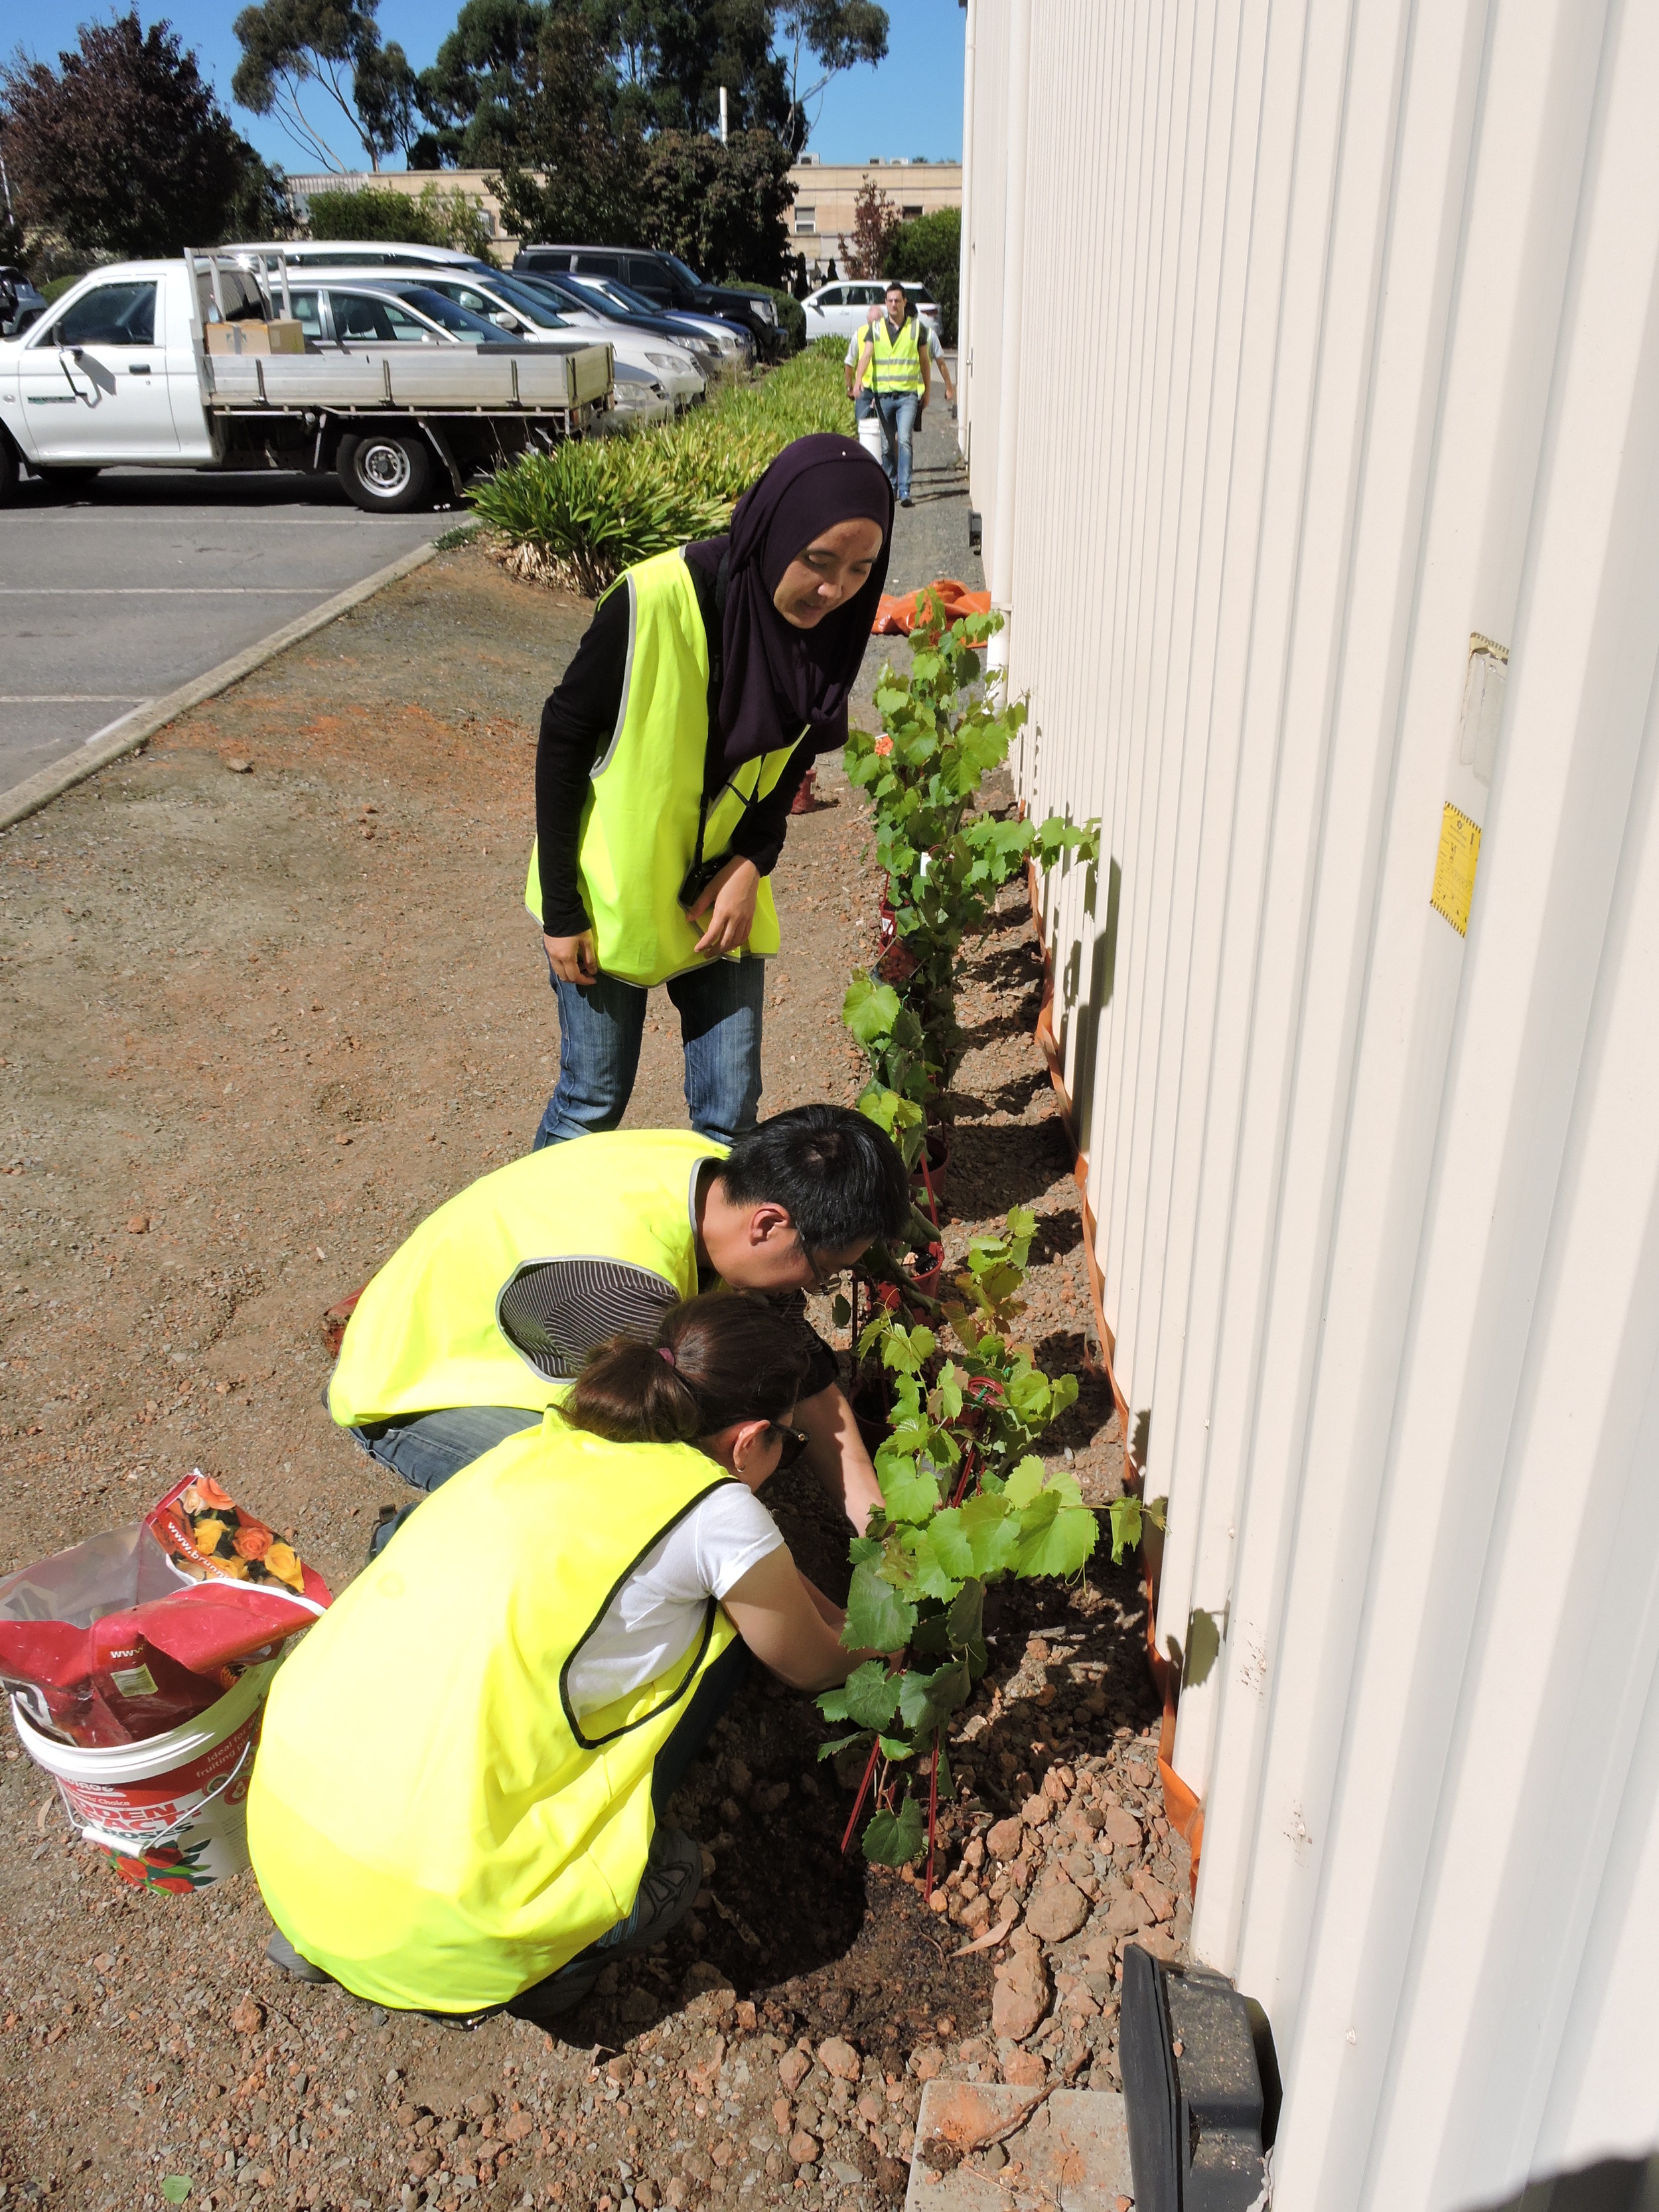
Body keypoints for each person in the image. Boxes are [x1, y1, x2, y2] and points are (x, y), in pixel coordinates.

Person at [253, 1294, 887, 2022]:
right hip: (437, 1924)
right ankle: (537, 1970)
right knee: (716, 1679)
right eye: (790, 1445)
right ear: (749, 1442)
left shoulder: (545, 1436)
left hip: (286, 1840)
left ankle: (329, 1935)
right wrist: (896, 1626)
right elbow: (813, 1665)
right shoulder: (719, 1513)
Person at [529, 434, 894, 1149]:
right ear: (775, 530)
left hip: (719, 897)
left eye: (860, 569)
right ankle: (535, 1259)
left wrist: (752, 864)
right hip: (612, 902)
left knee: (730, 1117)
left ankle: (714, 1264)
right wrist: (562, 910)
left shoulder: (828, 631)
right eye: (817, 561)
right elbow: (563, 738)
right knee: (590, 1103)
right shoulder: (653, 600)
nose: (834, 590)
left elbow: (787, 768)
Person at [326, 1104, 909, 1542]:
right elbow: (680, 1486)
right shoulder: (627, 1289)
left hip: (477, 1322)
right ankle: (414, 1542)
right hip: (413, 1384)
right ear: (768, 1226)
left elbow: (799, 1365)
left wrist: (876, 1528)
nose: (814, 1289)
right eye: (823, 1271)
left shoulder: (710, 1175)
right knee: (619, 1506)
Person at [853, 281, 956, 509]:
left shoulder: (916, 329)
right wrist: (858, 380)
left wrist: (928, 391)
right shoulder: (876, 328)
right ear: (885, 303)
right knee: (888, 446)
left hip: (907, 396)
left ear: (904, 303)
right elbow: (866, 355)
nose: (893, 305)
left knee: (906, 440)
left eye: (897, 301)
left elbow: (924, 362)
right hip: (883, 396)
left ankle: (905, 490)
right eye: (889, 301)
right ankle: (891, 486)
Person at [845, 301, 887, 468]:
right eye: (871, 323)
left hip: (884, 389)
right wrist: (850, 387)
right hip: (864, 390)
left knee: (887, 432)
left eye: (876, 323)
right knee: (863, 427)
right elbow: (849, 362)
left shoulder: (889, 334)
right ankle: (864, 465)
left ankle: (885, 465)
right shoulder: (860, 334)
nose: (873, 327)